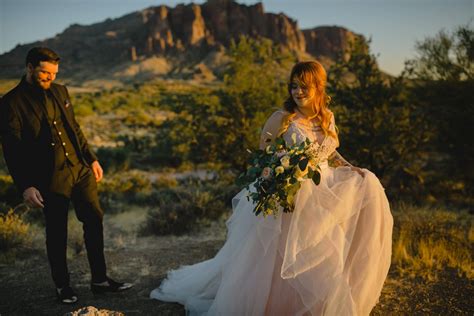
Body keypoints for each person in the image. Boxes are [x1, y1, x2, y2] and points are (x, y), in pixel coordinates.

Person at [150, 60, 393, 315]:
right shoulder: (282, 118)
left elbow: (329, 155)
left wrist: (353, 168)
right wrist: (279, 171)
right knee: (278, 255)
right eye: (294, 86)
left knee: (322, 243)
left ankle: (316, 304)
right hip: (289, 192)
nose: (298, 92)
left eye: (304, 86)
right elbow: (263, 154)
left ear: (319, 87)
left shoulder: (327, 118)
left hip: (320, 191)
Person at [0, 47, 132, 304]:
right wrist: (26, 185)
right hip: (49, 176)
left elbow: (74, 128)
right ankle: (63, 286)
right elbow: (12, 150)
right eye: (44, 73)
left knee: (94, 220)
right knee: (57, 233)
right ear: (29, 67)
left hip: (80, 169)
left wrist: (91, 158)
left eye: (54, 73)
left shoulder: (61, 91)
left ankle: (100, 280)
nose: (50, 78)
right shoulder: (10, 103)